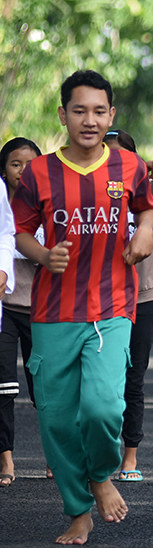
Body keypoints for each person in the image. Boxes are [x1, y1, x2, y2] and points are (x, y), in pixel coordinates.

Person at [12, 69, 153, 544]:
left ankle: (100, 475)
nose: (89, 120)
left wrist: (145, 230)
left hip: (112, 308)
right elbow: (18, 232)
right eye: (79, 111)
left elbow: (148, 205)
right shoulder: (37, 173)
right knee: (55, 418)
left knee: (101, 408)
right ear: (63, 115)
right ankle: (78, 511)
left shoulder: (129, 168)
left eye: (99, 111)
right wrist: (42, 254)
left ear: (111, 115)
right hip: (52, 313)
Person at [102, 130, 153, 482]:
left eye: (124, 158)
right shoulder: (91, 191)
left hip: (144, 298)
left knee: (133, 379)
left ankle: (130, 455)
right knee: (103, 382)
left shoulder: (147, 190)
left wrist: (146, 165)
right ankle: (98, 453)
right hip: (102, 299)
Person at [0, 140, 24, 488]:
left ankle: (56, 453)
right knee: (3, 384)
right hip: (10, 306)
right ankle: (4, 454)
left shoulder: (54, 195)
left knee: (47, 387)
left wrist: (4, 269)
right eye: (16, 164)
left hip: (42, 306)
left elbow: (5, 233)